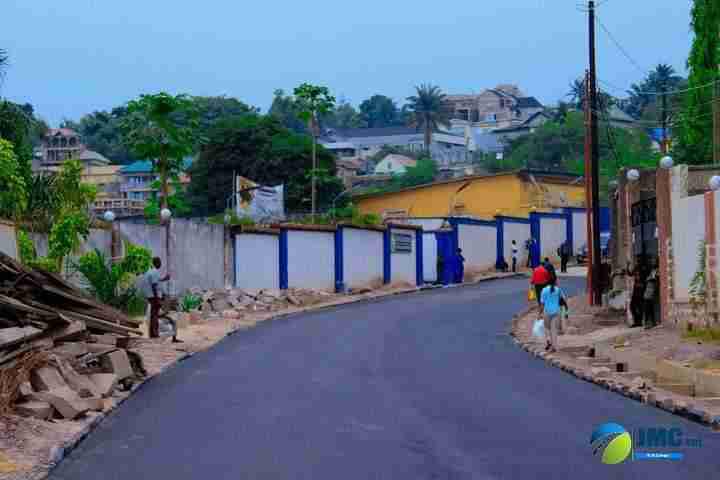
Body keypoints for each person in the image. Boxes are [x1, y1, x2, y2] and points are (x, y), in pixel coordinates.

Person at [142, 257, 175, 341]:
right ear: (157, 263)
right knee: (155, 316)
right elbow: (154, 285)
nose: (161, 264)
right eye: (160, 262)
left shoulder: (151, 271)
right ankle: (155, 334)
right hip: (154, 296)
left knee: (154, 315)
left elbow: (157, 281)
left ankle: (152, 333)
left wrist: (165, 279)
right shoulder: (154, 272)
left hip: (151, 296)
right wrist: (157, 298)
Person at [540, 277, 566, 352]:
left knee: (547, 329)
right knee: (554, 330)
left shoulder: (544, 290)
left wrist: (539, 313)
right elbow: (563, 299)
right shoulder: (558, 290)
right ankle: (554, 347)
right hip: (556, 312)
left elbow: (542, 303)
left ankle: (548, 341)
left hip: (547, 312)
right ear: (555, 282)